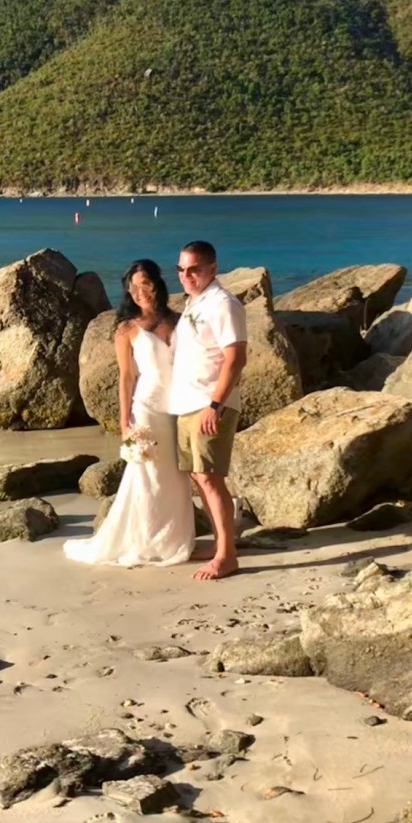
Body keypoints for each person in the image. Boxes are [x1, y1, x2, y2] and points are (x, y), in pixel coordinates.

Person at [63, 259, 195, 567]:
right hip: (147, 409)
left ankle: (174, 539)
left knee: (177, 476)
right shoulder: (126, 329)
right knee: (149, 477)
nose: (140, 293)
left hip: (179, 406)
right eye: (133, 288)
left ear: (157, 284)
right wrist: (125, 422)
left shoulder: (177, 320)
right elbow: (126, 377)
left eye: (145, 284)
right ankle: (145, 539)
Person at [172, 241, 248, 580]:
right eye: (181, 269)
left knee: (210, 477)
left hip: (210, 403)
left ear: (213, 269)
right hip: (187, 403)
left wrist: (215, 405)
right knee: (198, 475)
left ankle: (227, 556)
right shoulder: (194, 302)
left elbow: (236, 358)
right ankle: (221, 543)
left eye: (194, 269)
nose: (186, 276)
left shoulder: (223, 304)